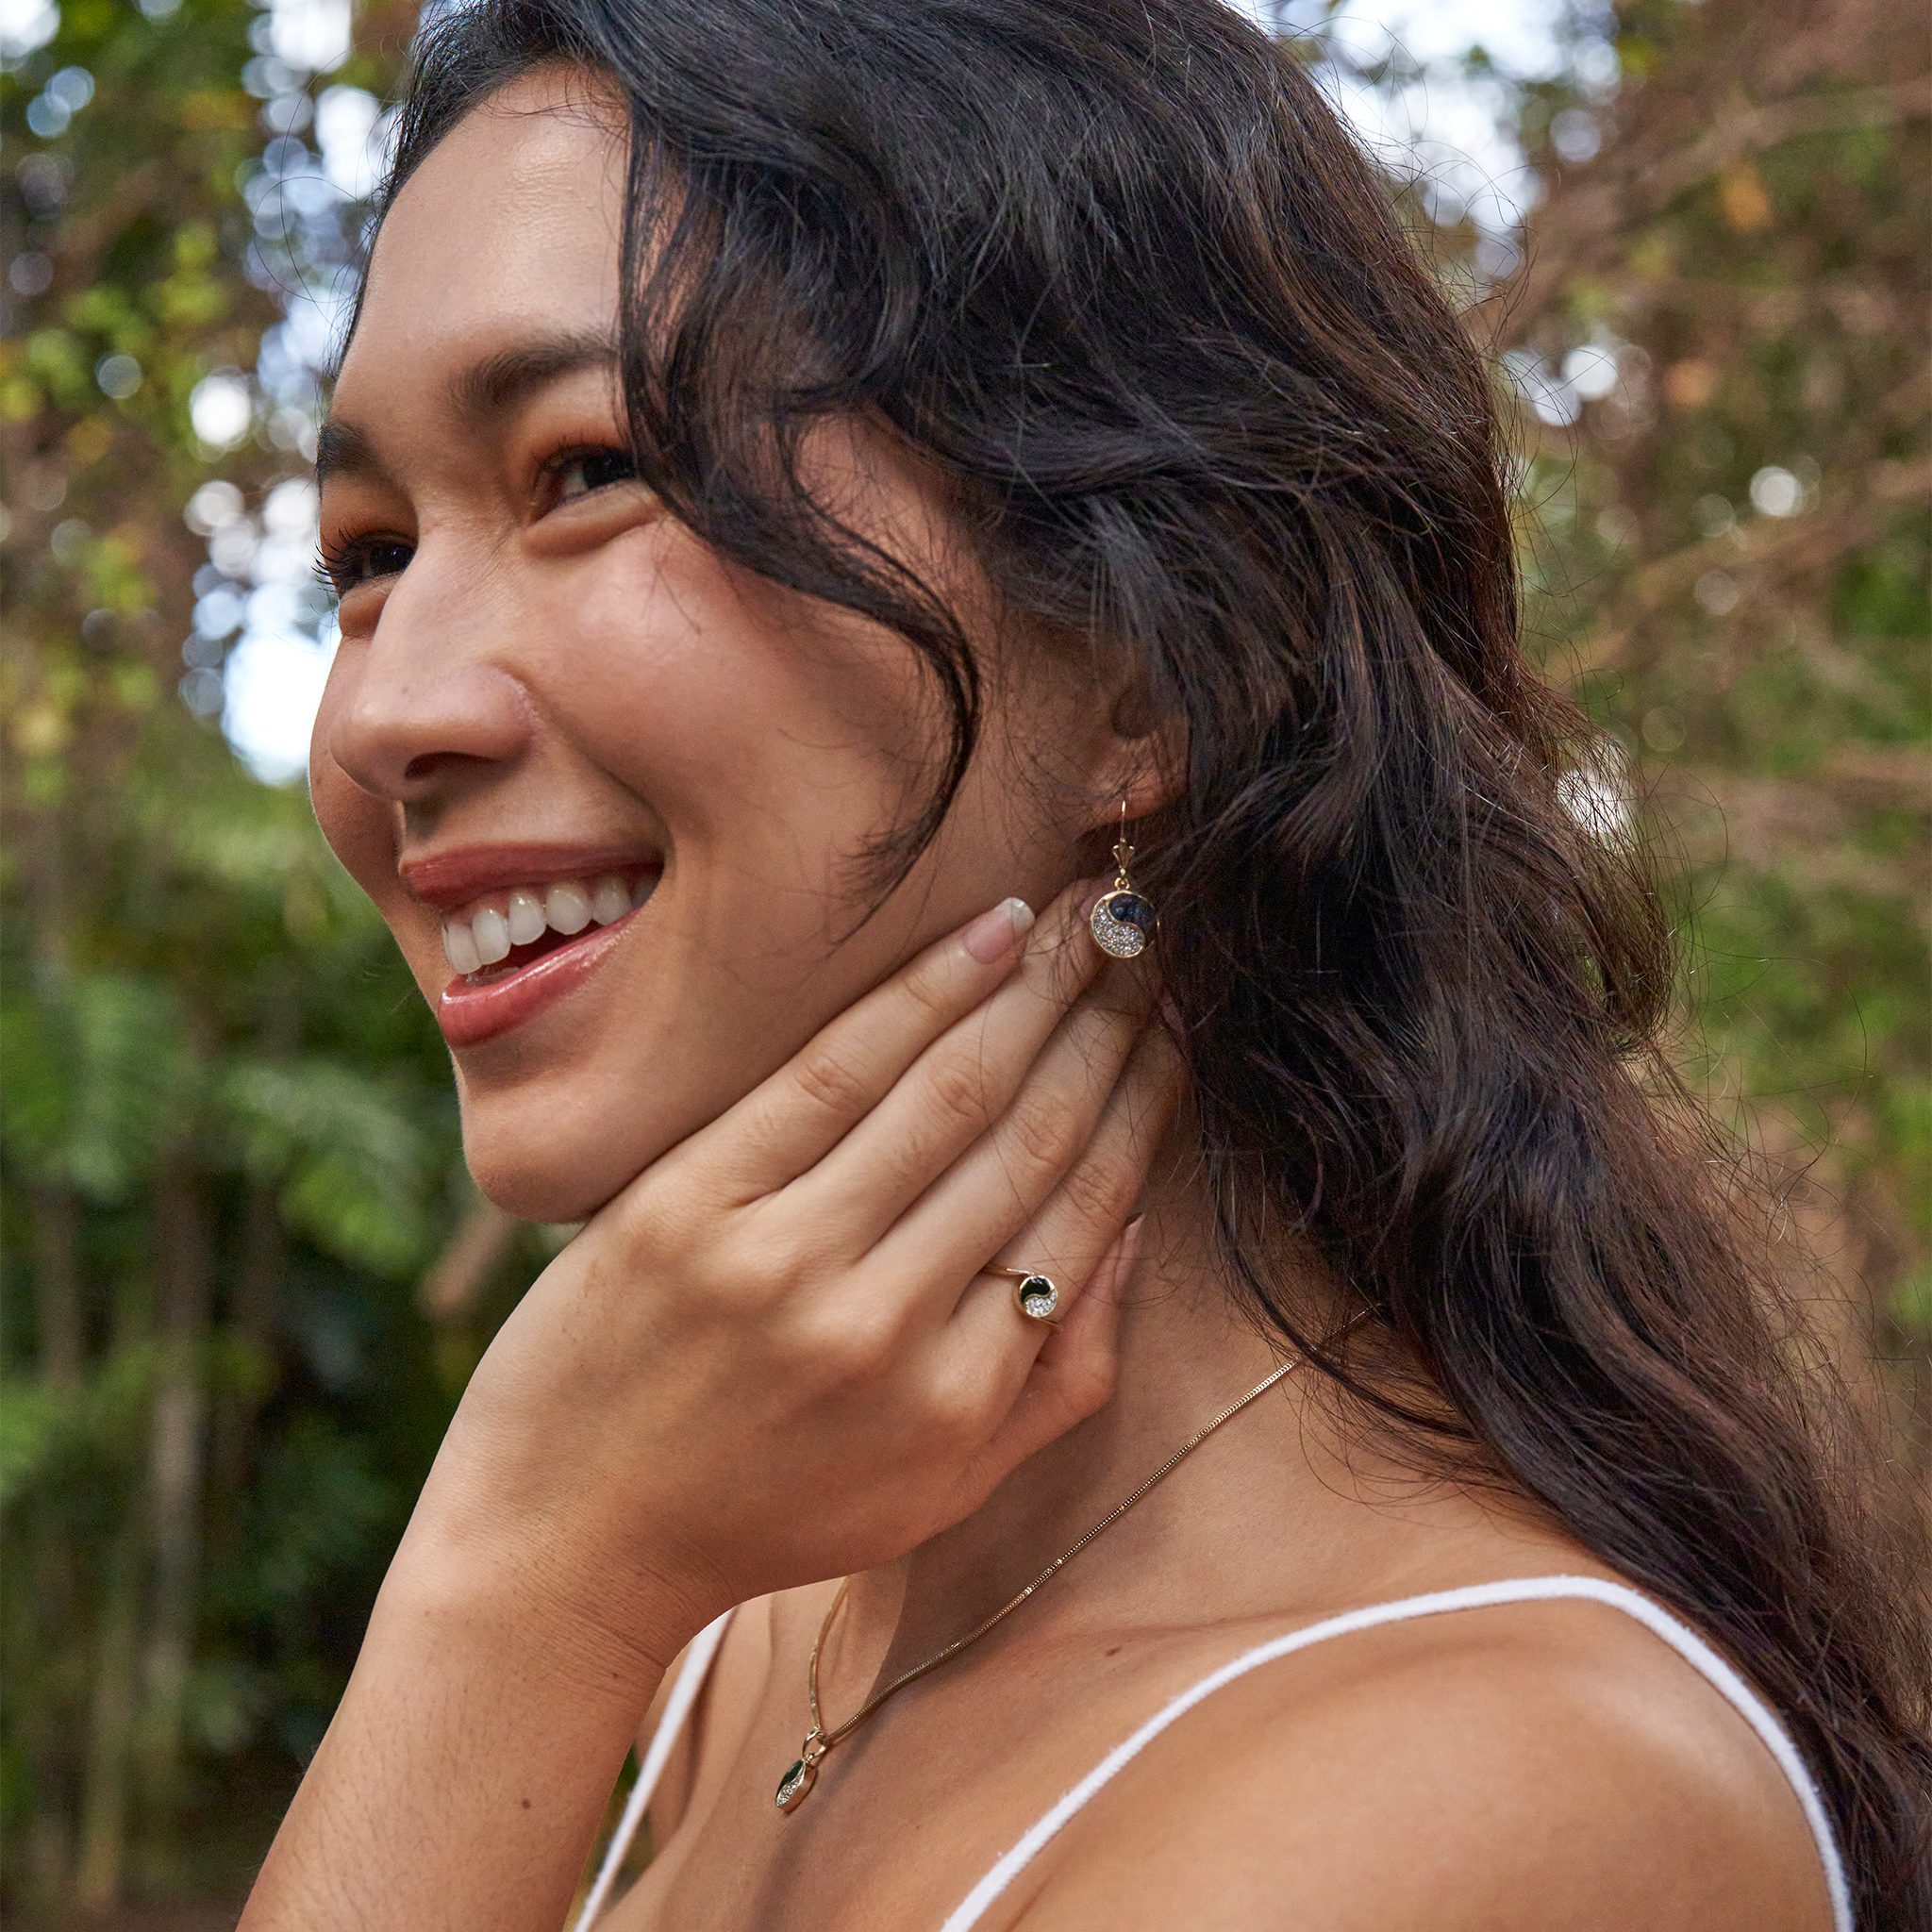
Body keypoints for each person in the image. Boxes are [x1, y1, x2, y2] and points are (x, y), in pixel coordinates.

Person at [241, 2, 1929, 1926]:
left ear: (1154, 658)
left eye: (585, 467)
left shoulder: (1491, 1796)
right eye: (365, 551)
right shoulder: (777, 1609)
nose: (383, 714)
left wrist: (514, 1582)